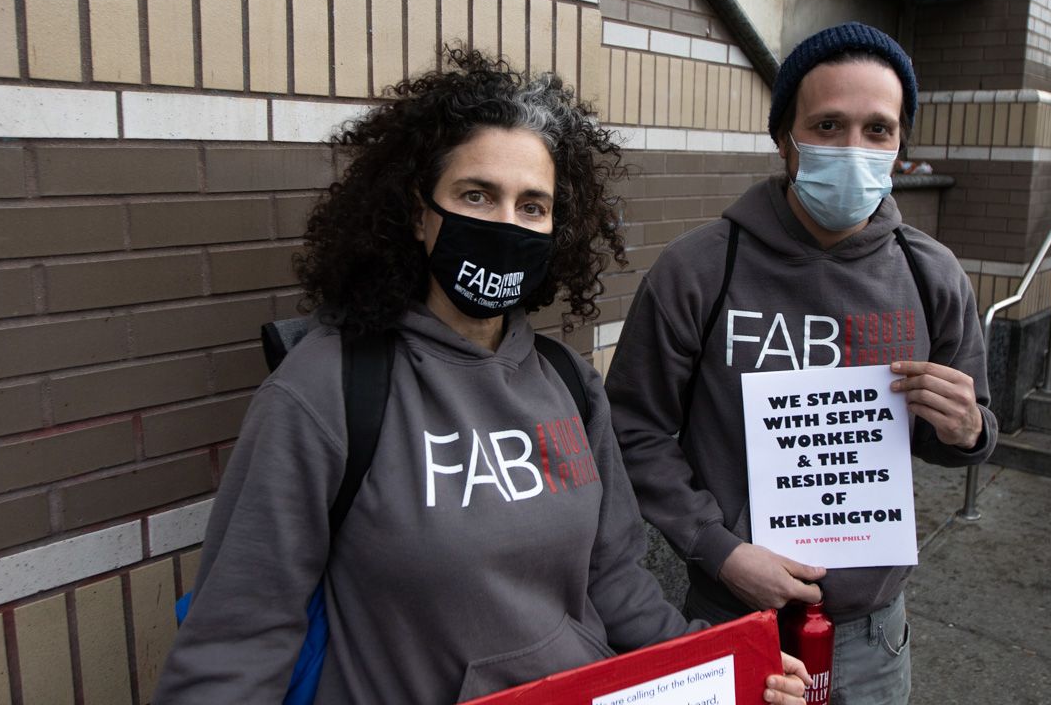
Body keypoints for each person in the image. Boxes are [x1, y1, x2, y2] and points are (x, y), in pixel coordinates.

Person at [154, 49, 810, 704]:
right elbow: (236, 642)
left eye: (532, 205)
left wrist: (733, 666)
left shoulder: (569, 387)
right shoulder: (325, 389)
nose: (505, 223)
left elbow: (617, 585)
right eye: (476, 195)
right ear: (419, 212)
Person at [606, 23, 999, 703]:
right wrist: (717, 549)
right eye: (827, 124)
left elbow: (965, 435)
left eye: (878, 130)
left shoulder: (931, 275)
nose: (854, 150)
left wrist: (966, 428)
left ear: (901, 144)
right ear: (784, 138)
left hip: (870, 635)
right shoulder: (700, 270)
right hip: (732, 618)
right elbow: (631, 431)